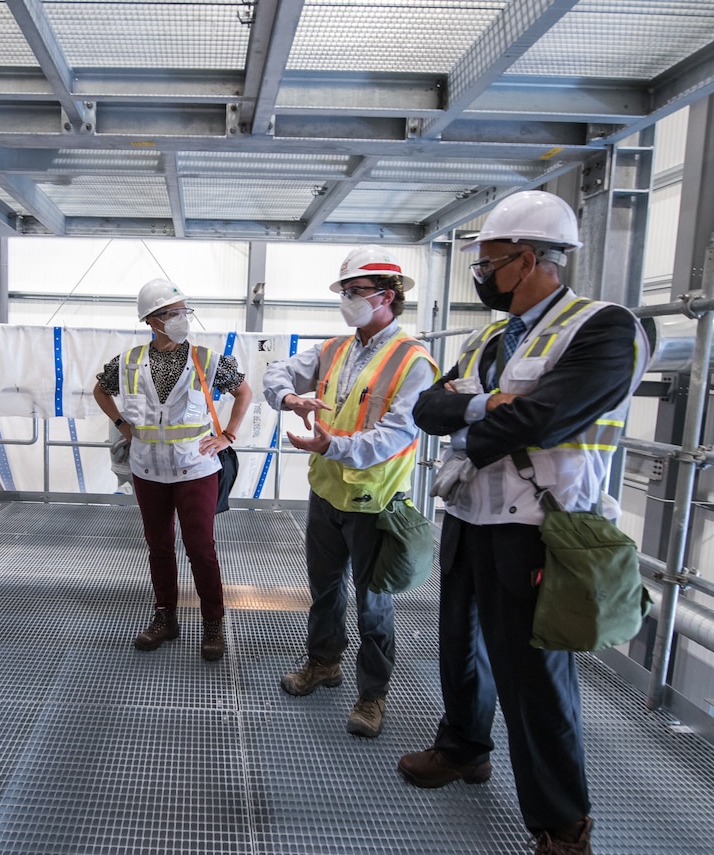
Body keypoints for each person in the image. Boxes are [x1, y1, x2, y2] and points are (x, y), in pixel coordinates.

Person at [399, 190, 650, 855]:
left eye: (490, 260)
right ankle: (463, 749)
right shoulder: (489, 335)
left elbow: (545, 418)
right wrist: (489, 403)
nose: (480, 273)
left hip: (540, 527)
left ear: (533, 258)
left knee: (535, 680)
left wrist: (471, 413)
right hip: (470, 516)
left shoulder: (604, 328)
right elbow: (427, 408)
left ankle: (562, 823)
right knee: (461, 650)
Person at [262, 246, 437, 738]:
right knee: (324, 589)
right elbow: (276, 372)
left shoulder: (414, 361)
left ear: (386, 296)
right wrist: (292, 397)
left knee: (373, 604)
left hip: (374, 502)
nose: (346, 300)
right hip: (326, 494)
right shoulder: (334, 349)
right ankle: (323, 663)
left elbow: (398, 434)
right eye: (344, 292)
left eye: (354, 292)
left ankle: (372, 696)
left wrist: (330, 444)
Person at [93, 278, 252, 661]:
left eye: (184, 311)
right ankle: (166, 616)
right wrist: (121, 425)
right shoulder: (129, 361)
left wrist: (228, 434)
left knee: (200, 548)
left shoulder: (208, 359)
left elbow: (244, 391)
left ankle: (212, 621)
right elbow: (101, 390)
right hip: (148, 469)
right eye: (172, 313)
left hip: (196, 467)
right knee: (158, 546)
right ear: (152, 319)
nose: (182, 318)